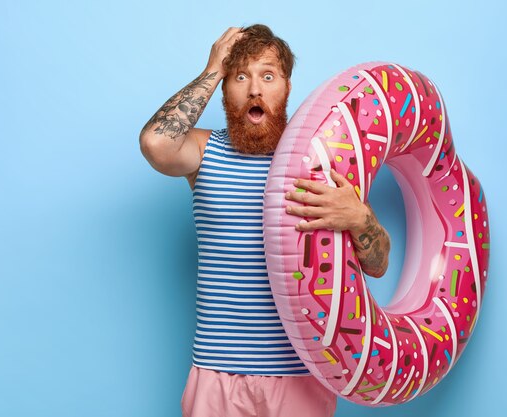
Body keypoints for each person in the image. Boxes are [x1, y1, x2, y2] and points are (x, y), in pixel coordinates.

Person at [140, 24, 390, 417]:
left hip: (302, 377)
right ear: (224, 88)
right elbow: (156, 142)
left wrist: (361, 218)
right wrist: (212, 68)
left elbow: (377, 266)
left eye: (268, 76)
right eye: (241, 76)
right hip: (216, 374)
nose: (255, 89)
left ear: (287, 88)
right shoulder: (205, 153)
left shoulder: (323, 160)